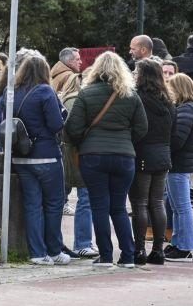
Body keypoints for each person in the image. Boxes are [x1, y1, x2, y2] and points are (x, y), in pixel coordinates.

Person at [66, 51, 147, 268]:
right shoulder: (131, 96)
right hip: (124, 157)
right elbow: (142, 128)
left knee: (99, 206)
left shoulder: (86, 94)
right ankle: (128, 256)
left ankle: (105, 256)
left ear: (96, 70)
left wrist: (85, 140)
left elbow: (73, 128)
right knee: (119, 207)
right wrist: (125, 139)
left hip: (93, 156)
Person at [0, 55, 69, 265]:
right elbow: (56, 125)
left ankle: (37, 253)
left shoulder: (12, 93)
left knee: (32, 205)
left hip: (21, 157)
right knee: (54, 204)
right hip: (46, 156)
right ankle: (54, 250)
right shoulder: (45, 91)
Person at [129, 58, 175, 265]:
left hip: (143, 153)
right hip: (163, 154)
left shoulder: (137, 98)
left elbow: (137, 128)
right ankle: (158, 249)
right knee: (157, 202)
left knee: (139, 203)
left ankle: (139, 249)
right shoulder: (167, 99)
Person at [164, 74, 193, 261]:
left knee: (181, 206)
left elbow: (178, 139)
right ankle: (178, 243)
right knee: (177, 205)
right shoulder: (189, 108)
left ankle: (185, 246)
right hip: (181, 163)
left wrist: (163, 146)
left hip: (179, 163)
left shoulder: (186, 110)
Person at [59, 74, 98, 258]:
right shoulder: (78, 101)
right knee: (85, 197)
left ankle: (56, 242)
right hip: (77, 154)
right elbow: (74, 129)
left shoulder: (66, 100)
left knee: (58, 200)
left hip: (66, 155)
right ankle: (82, 243)